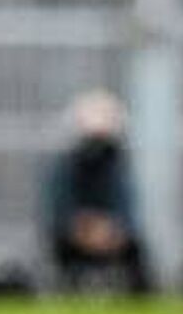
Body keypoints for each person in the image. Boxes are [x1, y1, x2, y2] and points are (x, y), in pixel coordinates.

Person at [44, 90, 152, 295]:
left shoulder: (118, 168)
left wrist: (111, 232)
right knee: (59, 248)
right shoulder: (64, 168)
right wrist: (84, 230)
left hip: (111, 236)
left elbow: (127, 211)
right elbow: (60, 211)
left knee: (136, 251)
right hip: (75, 237)